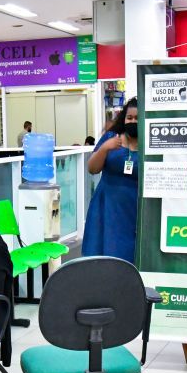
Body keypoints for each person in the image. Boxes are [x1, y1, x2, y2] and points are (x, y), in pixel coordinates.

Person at [82, 97, 140, 263]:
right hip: (106, 205)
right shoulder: (111, 137)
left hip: (134, 208)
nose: (133, 121)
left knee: (128, 253)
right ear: (123, 118)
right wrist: (105, 148)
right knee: (101, 252)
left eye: (137, 118)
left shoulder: (152, 144)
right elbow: (92, 169)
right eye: (129, 118)